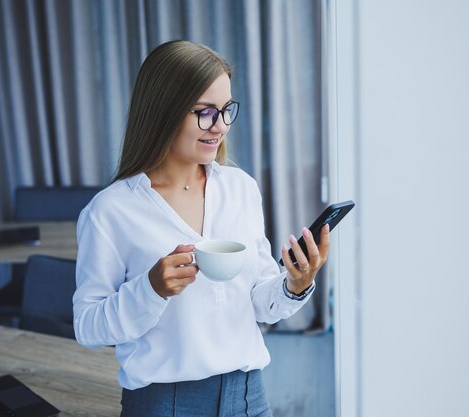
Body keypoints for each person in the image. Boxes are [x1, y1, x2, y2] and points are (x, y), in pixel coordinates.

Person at [72, 40, 330, 417]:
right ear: (164, 111)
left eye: (227, 110)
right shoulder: (111, 211)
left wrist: (296, 283)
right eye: (206, 113)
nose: (221, 126)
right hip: (162, 404)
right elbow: (87, 326)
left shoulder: (240, 188)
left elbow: (259, 300)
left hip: (248, 398)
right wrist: (150, 289)